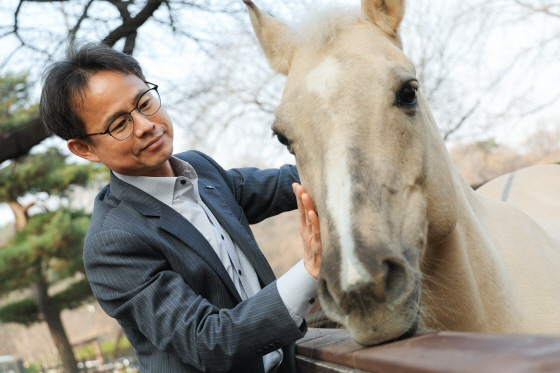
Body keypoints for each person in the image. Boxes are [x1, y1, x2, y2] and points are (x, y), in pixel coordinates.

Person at [39, 42, 322, 373]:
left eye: (144, 102)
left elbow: (291, 183)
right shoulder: (113, 242)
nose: (145, 125)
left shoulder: (200, 170)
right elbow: (208, 341)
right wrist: (310, 270)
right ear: (85, 148)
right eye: (119, 124)